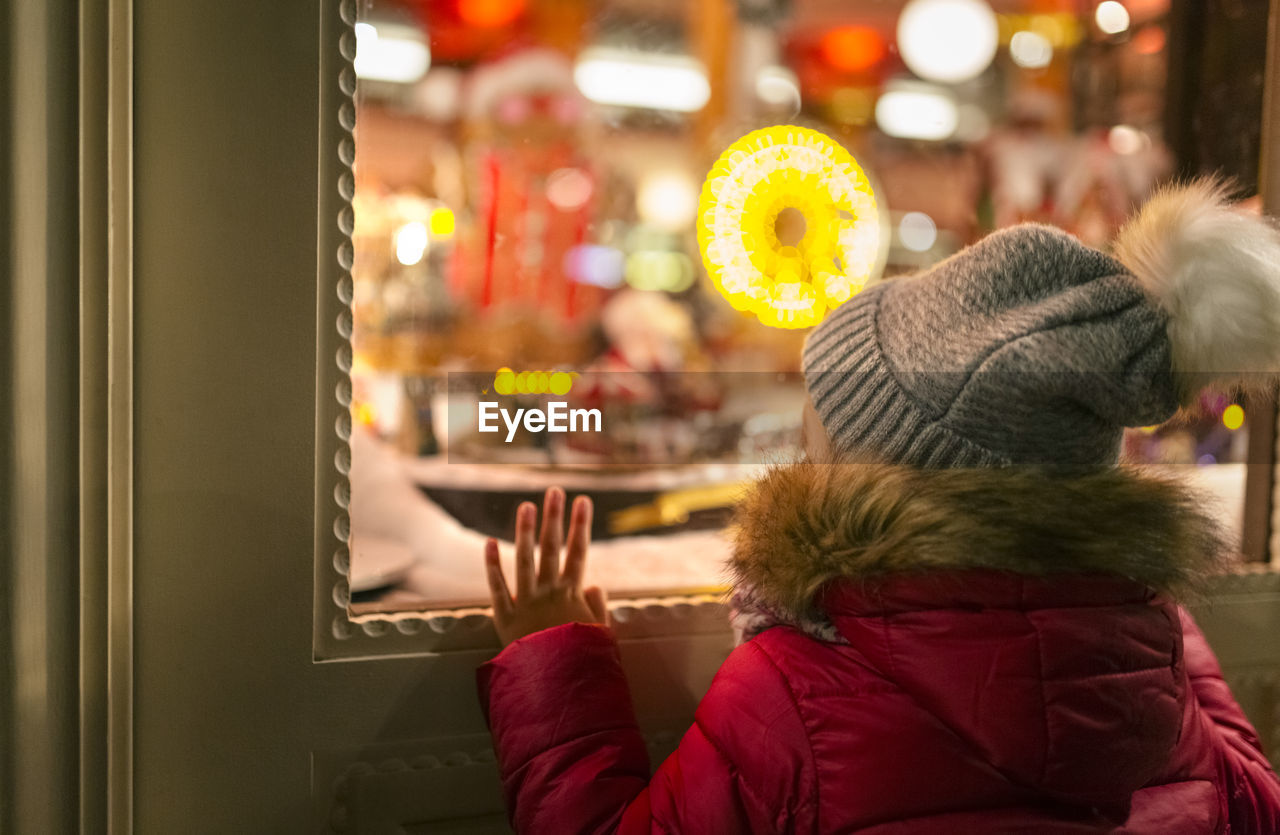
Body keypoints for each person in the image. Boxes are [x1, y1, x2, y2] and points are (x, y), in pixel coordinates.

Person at [475, 179, 1280, 833]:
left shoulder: (797, 692)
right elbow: (1250, 794)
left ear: (878, 470)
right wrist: (1143, 598)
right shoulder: (1152, 699)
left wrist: (556, 662)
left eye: (823, 420)